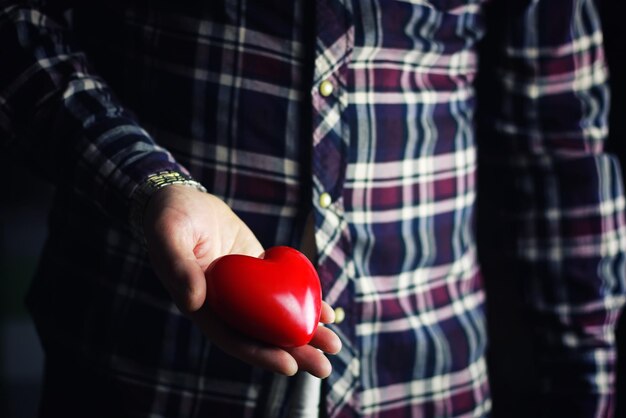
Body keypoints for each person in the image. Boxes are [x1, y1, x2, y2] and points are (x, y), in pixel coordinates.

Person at [1, 0, 624, 417]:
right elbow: (16, 24)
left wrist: (589, 389)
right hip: (137, 372)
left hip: (429, 382)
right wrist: (149, 183)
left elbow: (563, 143)